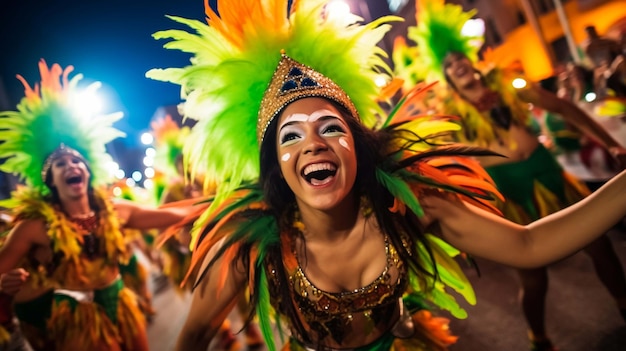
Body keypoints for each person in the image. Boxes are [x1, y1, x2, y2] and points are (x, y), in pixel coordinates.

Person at [147, 1, 626, 350]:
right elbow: (192, 336)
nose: (313, 143)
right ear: (275, 166)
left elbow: (529, 246)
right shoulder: (251, 251)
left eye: (331, 127)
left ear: (358, 146)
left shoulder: (411, 209)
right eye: (290, 136)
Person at [396, 1, 626, 350]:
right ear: (445, 77)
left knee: (601, 247)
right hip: (512, 194)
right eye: (449, 65)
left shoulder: (507, 85)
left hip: (549, 175)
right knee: (533, 278)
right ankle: (539, 337)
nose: (457, 66)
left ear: (471, 61)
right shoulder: (449, 117)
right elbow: (444, 163)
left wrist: (610, 145)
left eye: (460, 59)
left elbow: (562, 107)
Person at [0, 60, 203, 351]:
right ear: (50, 180)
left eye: (77, 161)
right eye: (61, 164)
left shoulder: (114, 210)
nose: (72, 165)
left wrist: (216, 205)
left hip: (120, 301)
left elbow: (168, 215)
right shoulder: (34, 227)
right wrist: (6, 283)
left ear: (87, 171)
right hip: (74, 318)